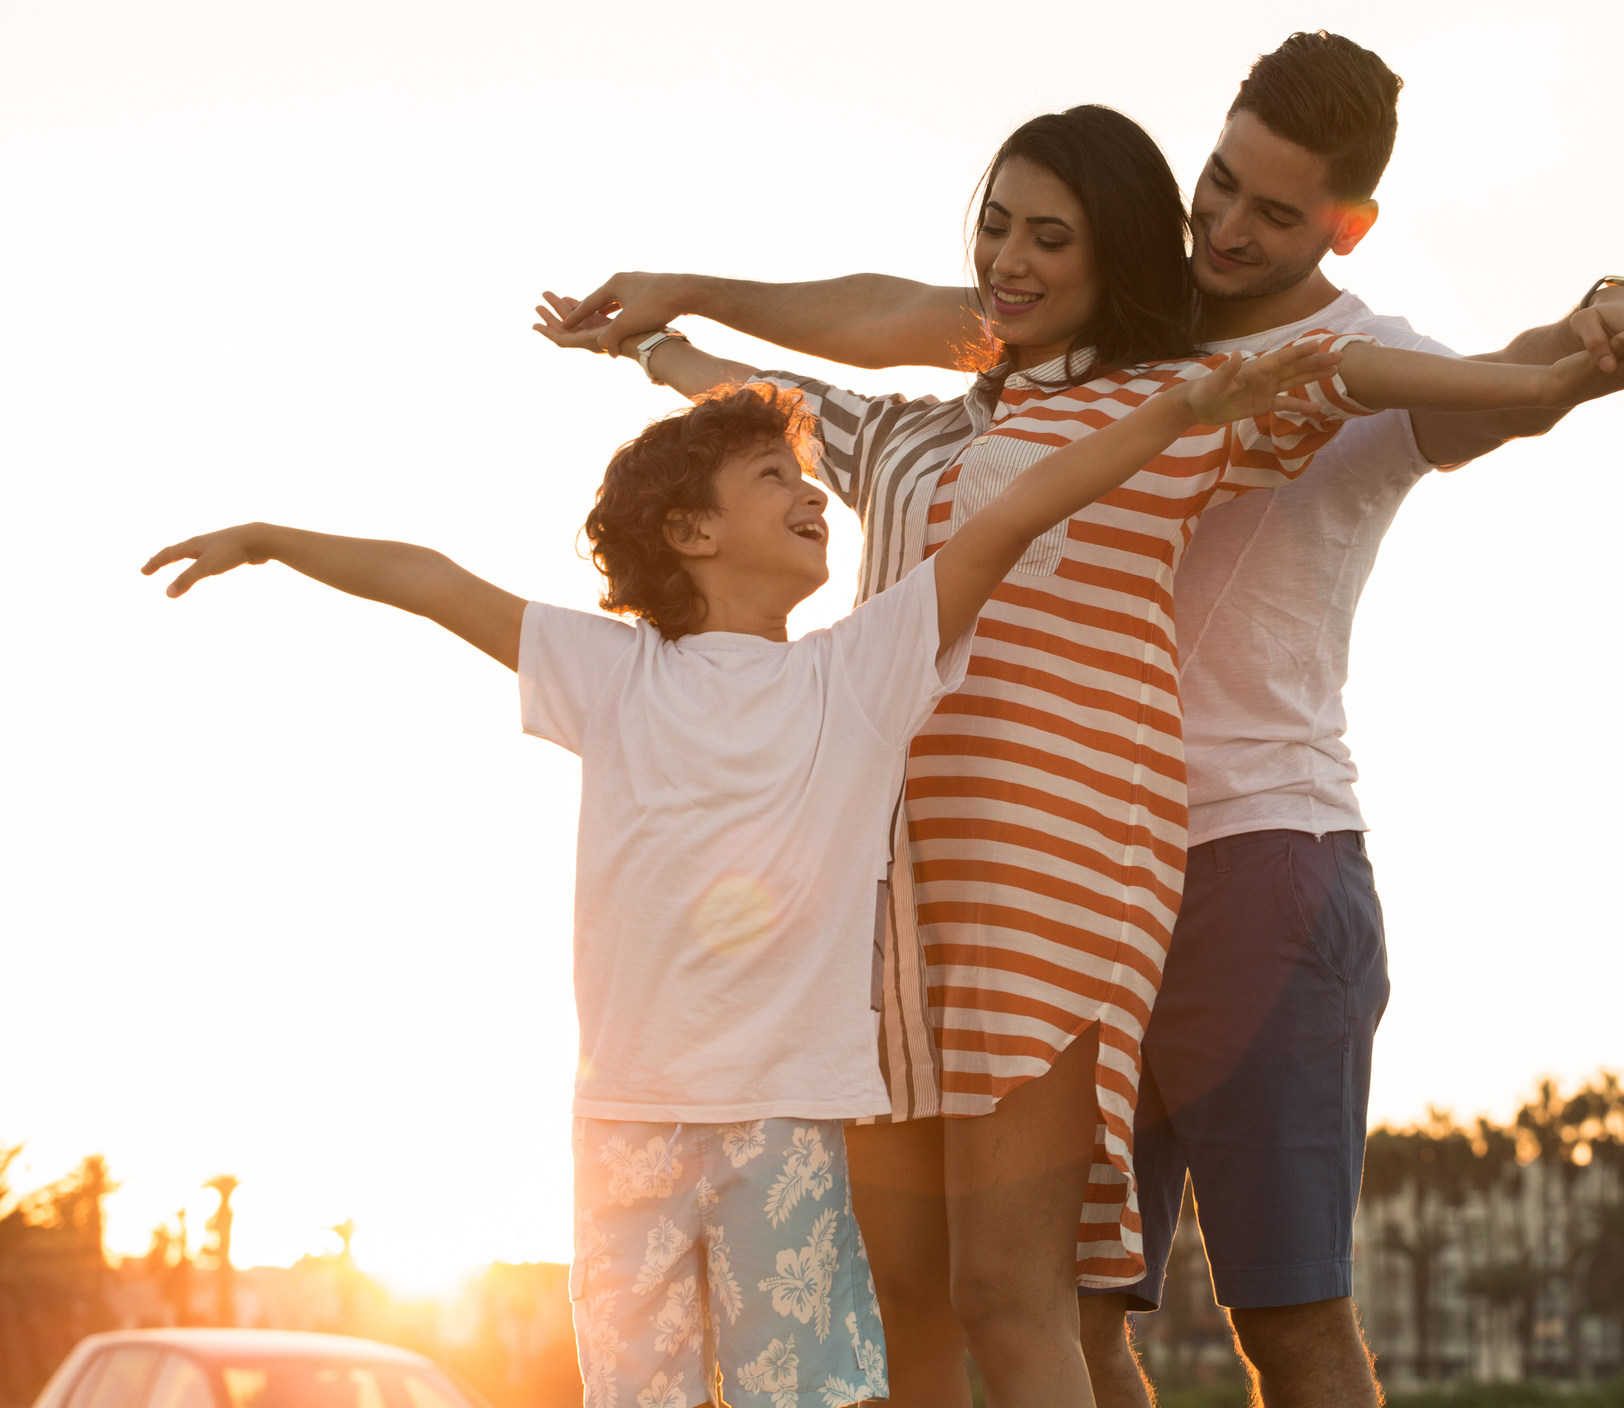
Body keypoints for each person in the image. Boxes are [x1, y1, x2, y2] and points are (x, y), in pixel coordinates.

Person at [537, 33, 1624, 1407]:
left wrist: (1591, 338)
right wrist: (672, 323)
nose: (1228, 226)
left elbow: (1467, 380)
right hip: (919, 896)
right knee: (1031, 1305)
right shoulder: (1020, 378)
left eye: (1272, 211)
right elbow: (879, 332)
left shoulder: (1250, 377)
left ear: (1343, 224)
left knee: (1253, 1317)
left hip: (1207, 864)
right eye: (1215, 188)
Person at [140, 353, 1353, 1408]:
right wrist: (271, 541)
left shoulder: (860, 671)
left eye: (803, 475)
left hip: (784, 1123)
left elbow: (1011, 515)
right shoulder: (610, 674)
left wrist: (1178, 410)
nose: (807, 490)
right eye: (772, 478)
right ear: (689, 531)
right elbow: (434, 580)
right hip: (624, 1122)